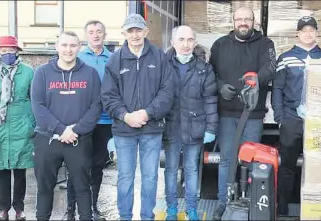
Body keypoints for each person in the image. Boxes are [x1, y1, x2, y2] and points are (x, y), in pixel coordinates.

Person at [101, 14, 174, 220]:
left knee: (150, 177)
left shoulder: (159, 58)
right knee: (125, 177)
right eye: (130, 31)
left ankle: (146, 216)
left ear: (146, 32)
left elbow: (167, 92)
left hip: (151, 129)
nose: (135, 35)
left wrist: (147, 113)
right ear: (124, 33)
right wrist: (125, 116)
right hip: (124, 130)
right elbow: (108, 95)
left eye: (138, 30)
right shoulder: (115, 60)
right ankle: (125, 216)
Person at [208, 6, 276, 220]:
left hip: (252, 115)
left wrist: (257, 78)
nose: (243, 23)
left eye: (248, 19)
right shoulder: (220, 45)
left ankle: (248, 202)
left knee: (250, 161)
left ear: (254, 22)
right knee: (227, 160)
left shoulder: (266, 44)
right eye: (240, 19)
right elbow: (210, 72)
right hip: (226, 114)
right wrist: (219, 86)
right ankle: (223, 202)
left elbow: (271, 66)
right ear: (233, 21)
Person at [30, 31, 102, 221]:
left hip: (80, 140)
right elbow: (38, 107)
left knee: (82, 187)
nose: (68, 50)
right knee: (44, 188)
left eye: (73, 45)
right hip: (48, 139)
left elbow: (96, 107)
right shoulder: (42, 73)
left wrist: (75, 130)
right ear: (57, 47)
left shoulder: (91, 74)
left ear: (79, 47)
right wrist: (61, 130)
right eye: (64, 45)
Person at [271, 16, 321, 216]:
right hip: (291, 118)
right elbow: (278, 89)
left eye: (312, 30)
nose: (308, 34)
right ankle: (283, 206)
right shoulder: (286, 57)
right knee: (287, 165)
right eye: (304, 30)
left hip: (318, 120)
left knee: (317, 165)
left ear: (317, 33)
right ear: (297, 33)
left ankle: (314, 209)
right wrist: (280, 118)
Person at [163, 25, 218, 221]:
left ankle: (191, 210)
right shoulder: (162, 65)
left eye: (189, 40)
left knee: (192, 169)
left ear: (194, 42)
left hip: (194, 126)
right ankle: (171, 209)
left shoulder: (204, 69)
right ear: (173, 42)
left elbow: (210, 99)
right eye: (181, 40)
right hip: (170, 126)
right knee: (170, 169)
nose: (185, 44)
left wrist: (211, 128)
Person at [0, 36, 35, 221]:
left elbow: (34, 99)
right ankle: (3, 209)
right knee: (2, 169)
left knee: (20, 170)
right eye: (3, 50)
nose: (7, 54)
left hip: (21, 126)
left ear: (17, 51)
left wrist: (32, 123)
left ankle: (19, 208)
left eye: (11, 50)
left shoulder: (28, 71)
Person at [64, 19, 113, 221]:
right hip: (81, 122)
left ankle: (92, 208)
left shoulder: (113, 58)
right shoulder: (78, 58)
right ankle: (70, 210)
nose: (95, 35)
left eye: (99, 31)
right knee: (76, 166)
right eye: (91, 32)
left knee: (97, 167)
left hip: (104, 121)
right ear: (86, 36)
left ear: (104, 34)